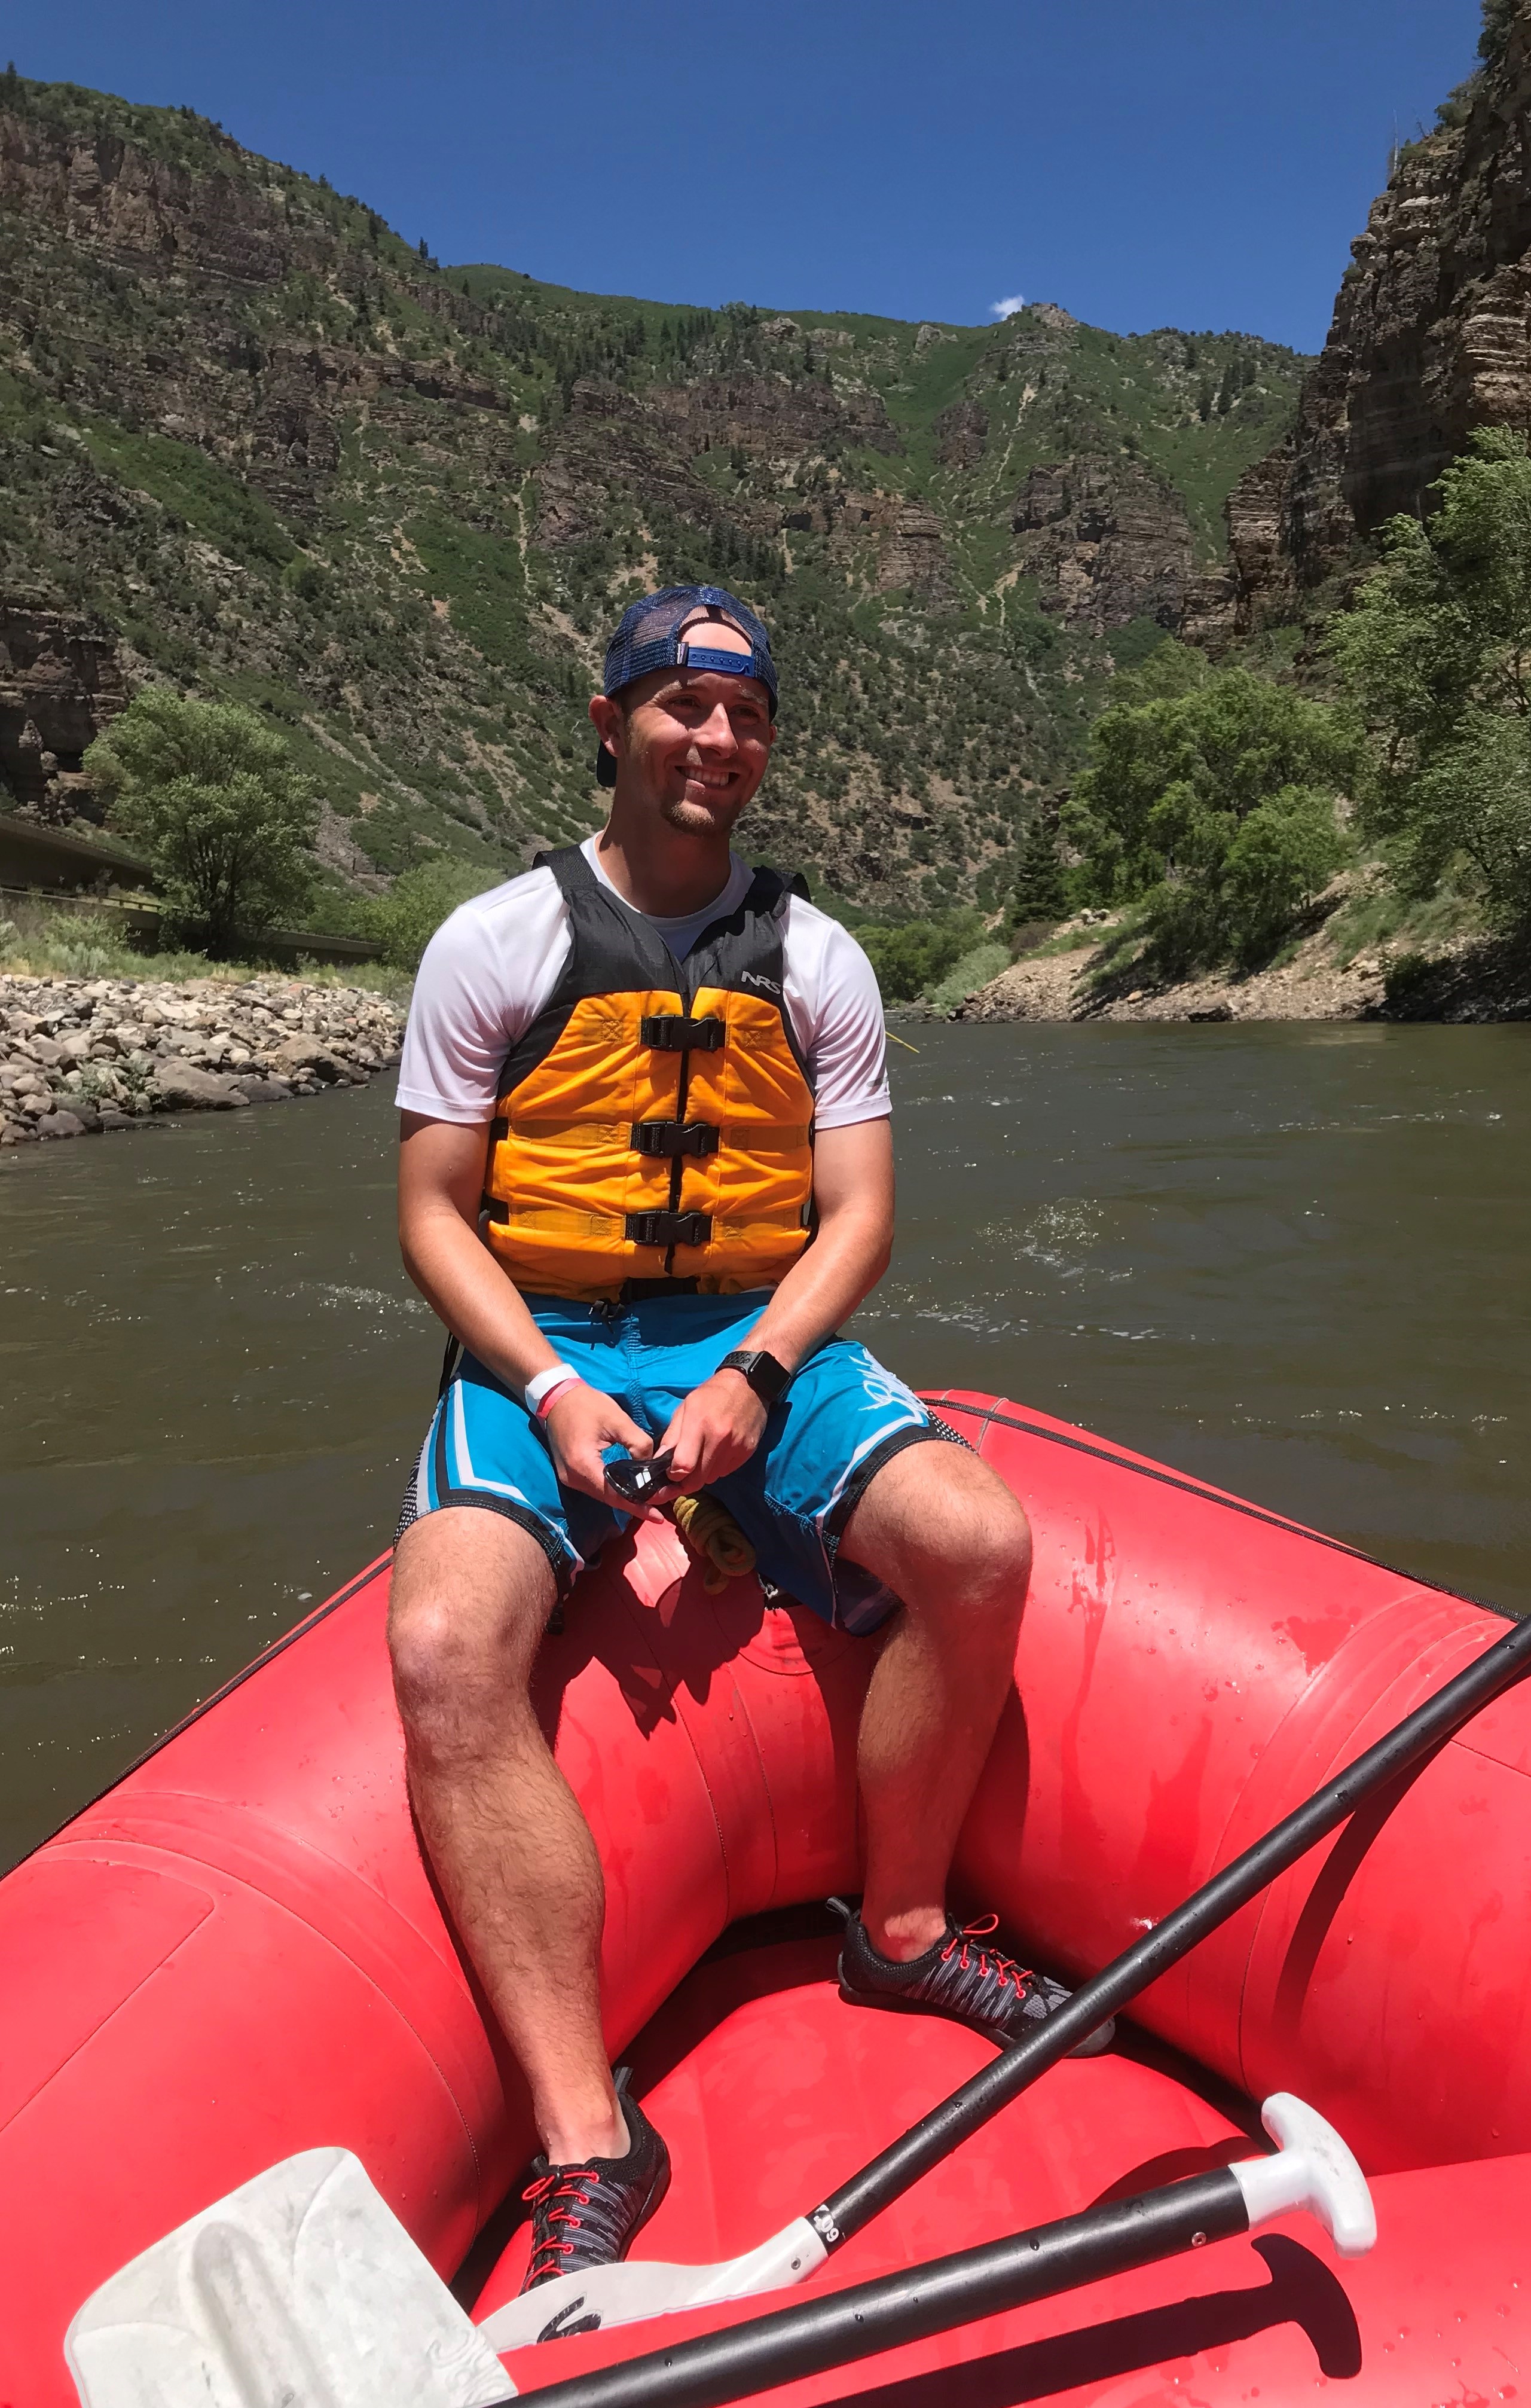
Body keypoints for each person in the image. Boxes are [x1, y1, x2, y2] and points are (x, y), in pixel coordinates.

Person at [386, 584, 1111, 2293]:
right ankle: (588, 2136)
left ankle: (909, 1928)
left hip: (751, 1329)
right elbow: (429, 1213)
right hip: (540, 1336)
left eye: (749, 712)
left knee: (981, 1543)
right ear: (612, 723)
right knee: (441, 1650)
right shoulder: (495, 942)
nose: (717, 738)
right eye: (682, 703)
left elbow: (854, 1218)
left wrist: (761, 1376)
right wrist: (556, 1392)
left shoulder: (819, 957)